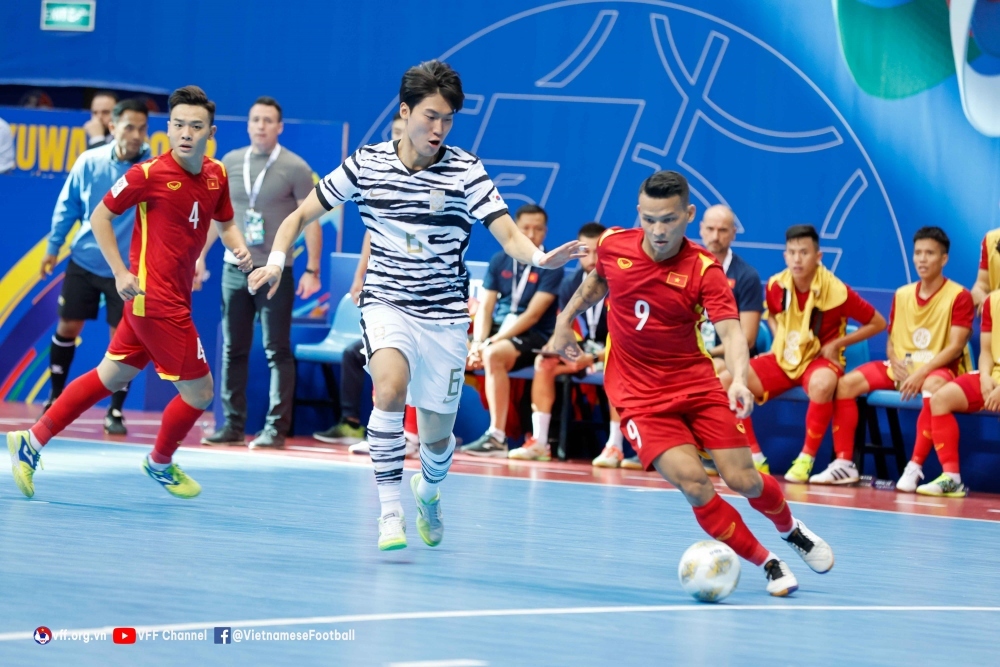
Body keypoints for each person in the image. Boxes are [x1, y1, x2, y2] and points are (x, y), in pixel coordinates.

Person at [248, 60, 582, 551]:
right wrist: (277, 263)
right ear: (404, 113)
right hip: (386, 301)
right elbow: (300, 214)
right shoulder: (366, 164)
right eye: (430, 116)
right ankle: (389, 512)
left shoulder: (466, 169)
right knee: (388, 390)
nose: (439, 128)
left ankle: (427, 490)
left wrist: (539, 256)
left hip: (445, 314)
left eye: (448, 119)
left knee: (436, 439)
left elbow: (507, 231)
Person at [546, 170, 834, 596]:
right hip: (638, 396)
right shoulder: (613, 244)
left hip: (696, 386)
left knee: (744, 480)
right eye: (649, 219)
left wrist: (738, 378)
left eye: (669, 220)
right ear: (638, 213)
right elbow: (598, 281)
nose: (658, 230)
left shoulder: (704, 269)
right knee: (695, 483)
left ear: (689, 214)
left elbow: (734, 333)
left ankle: (791, 528)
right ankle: (767, 561)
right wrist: (563, 320)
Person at [6, 85, 253, 500]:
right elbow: (100, 216)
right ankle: (159, 461)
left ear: (210, 132)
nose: (186, 133)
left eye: (196, 126)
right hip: (152, 300)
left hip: (174, 296)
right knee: (201, 392)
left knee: (110, 375)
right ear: (169, 129)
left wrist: (239, 248)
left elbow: (224, 221)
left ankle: (31, 440)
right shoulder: (148, 174)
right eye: (178, 125)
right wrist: (120, 271)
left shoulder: (216, 174)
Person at [197, 96, 321, 450]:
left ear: (279, 127)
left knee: (276, 350)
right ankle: (232, 425)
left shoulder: (295, 167)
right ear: (248, 124)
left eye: (269, 120)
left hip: (273, 272)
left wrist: (312, 268)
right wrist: (200, 257)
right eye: (256, 120)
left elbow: (310, 222)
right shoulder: (229, 163)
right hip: (234, 270)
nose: (261, 126)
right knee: (232, 348)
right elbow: (217, 218)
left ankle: (275, 429)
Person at [719, 224, 886, 483]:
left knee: (824, 383)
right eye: (792, 253)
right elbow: (772, 314)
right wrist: (779, 335)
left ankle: (806, 459)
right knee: (728, 379)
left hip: (819, 362)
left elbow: (878, 323)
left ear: (818, 256)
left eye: (804, 253)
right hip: (783, 359)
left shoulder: (837, 290)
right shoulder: (776, 285)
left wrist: (838, 343)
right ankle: (753, 456)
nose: (797, 259)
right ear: (785, 256)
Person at [810, 227, 972, 485]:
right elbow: (892, 341)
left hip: (939, 369)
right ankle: (843, 463)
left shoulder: (960, 296)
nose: (922, 259)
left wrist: (920, 372)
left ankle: (914, 465)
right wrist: (895, 361)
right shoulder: (902, 293)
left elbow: (955, 346)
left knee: (934, 386)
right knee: (845, 385)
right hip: (902, 368)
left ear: (944, 259)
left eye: (930, 253)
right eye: (918, 252)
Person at [41, 98, 152, 435]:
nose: (136, 135)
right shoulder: (90, 162)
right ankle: (55, 397)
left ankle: (115, 412)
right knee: (68, 327)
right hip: (86, 260)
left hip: (129, 271)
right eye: (129, 127)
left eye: (142, 128)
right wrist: (53, 247)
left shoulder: (153, 168)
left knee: (121, 343)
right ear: (112, 126)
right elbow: (69, 206)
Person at [314, 112, 407, 450]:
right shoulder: (376, 170)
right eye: (395, 131)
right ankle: (374, 430)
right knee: (373, 353)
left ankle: (413, 435)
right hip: (383, 292)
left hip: (417, 294)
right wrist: (359, 277)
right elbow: (372, 231)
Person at [503, 222, 621, 465]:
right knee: (543, 363)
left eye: (599, 252)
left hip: (612, 351)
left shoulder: (620, 283)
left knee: (616, 367)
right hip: (582, 351)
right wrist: (565, 351)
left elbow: (625, 335)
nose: (592, 258)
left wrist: (597, 357)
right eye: (586, 252)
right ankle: (540, 441)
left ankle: (615, 446)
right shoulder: (571, 284)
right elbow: (565, 328)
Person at [463, 204, 564, 457]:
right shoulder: (500, 260)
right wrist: (477, 341)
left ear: (545, 232)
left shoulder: (552, 264)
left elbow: (533, 315)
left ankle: (497, 437)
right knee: (447, 349)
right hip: (498, 331)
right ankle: (417, 434)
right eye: (526, 228)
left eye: (538, 229)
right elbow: (485, 307)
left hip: (533, 335)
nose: (531, 234)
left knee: (493, 354)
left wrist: (491, 342)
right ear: (516, 229)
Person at [698, 204, 766, 474]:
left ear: (733, 234)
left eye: (723, 230)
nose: (716, 236)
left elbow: (747, 338)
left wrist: (706, 353)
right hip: (693, 351)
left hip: (728, 356)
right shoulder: (686, 267)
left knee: (714, 374)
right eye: (711, 229)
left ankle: (710, 450)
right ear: (701, 229)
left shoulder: (746, 276)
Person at [914, 288, 1000, 497]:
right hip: (994, 376)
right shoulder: (992, 301)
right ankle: (952, 478)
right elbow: (987, 352)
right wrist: (986, 378)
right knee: (941, 399)